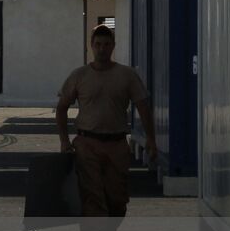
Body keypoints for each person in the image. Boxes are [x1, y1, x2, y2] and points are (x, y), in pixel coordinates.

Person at [54, 23, 156, 220]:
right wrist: (64, 140)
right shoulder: (79, 76)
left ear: (113, 46)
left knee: (117, 198)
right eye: (98, 44)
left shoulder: (127, 76)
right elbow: (61, 109)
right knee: (92, 194)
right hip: (87, 143)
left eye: (106, 44)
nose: (102, 49)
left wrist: (151, 139)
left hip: (116, 144)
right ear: (91, 46)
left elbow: (143, 108)